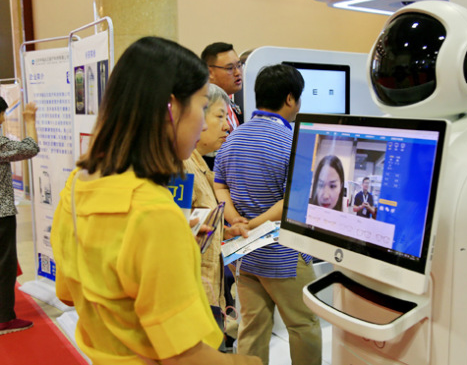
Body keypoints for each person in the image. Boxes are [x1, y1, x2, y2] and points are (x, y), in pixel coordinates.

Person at [50, 37, 261, 365]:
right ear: (170, 107)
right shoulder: (154, 211)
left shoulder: (77, 183)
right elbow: (186, 358)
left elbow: (67, 291)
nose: (205, 123)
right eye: (202, 106)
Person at [214, 64, 322, 365]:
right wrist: (257, 223)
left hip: (244, 253)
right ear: (290, 99)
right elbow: (293, 199)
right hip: (283, 254)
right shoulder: (294, 142)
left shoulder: (232, 139)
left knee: (252, 325)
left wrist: (236, 220)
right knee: (303, 325)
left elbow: (219, 185)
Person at [183, 83, 246, 351]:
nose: (227, 127)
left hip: (208, 293)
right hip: (192, 299)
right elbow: (176, 237)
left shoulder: (197, 162)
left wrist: (220, 231)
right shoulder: (181, 168)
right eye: (219, 117)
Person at [0, 98, 39, 336]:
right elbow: (30, 148)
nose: (3, 118)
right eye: (2, 114)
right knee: (4, 266)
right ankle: (4, 318)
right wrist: (30, 121)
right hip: (1, 214)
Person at [201, 42, 244, 130]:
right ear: (210, 72)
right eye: (230, 68)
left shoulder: (234, 105)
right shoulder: (202, 106)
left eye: (239, 66)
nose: (238, 73)